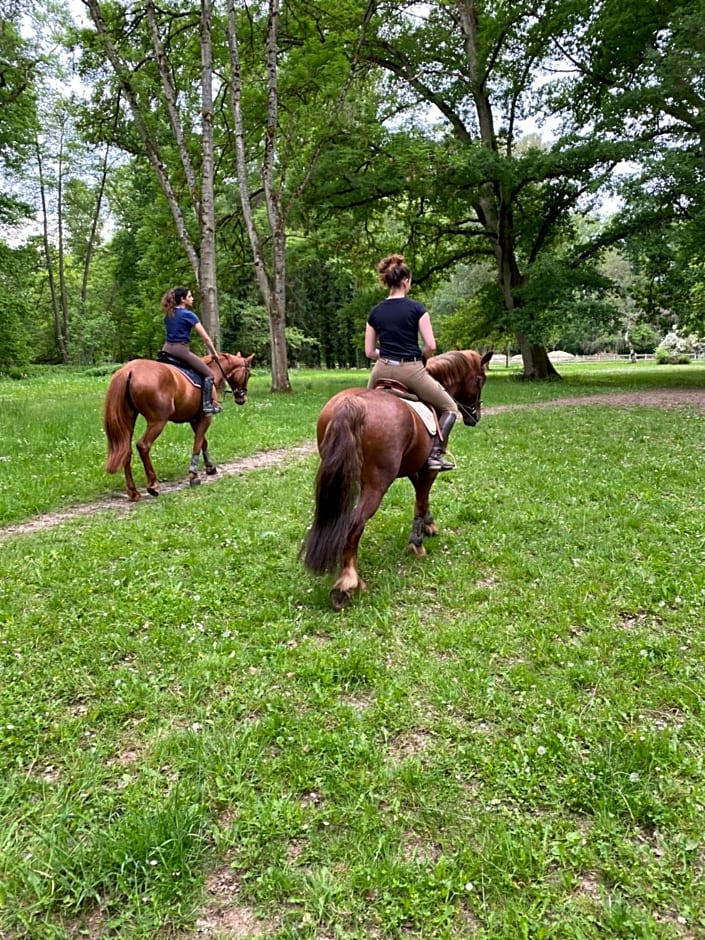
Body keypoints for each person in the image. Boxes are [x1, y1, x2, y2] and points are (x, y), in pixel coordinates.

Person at [365, 254, 460, 471]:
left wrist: (385, 357)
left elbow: (369, 351)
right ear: (406, 281)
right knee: (450, 408)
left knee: (363, 409)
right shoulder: (417, 309)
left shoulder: (375, 312)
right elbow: (431, 346)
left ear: (388, 281)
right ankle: (435, 454)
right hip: (411, 370)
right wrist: (422, 358)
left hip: (381, 370)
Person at [161, 286, 222, 415]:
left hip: (166, 350)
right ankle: (207, 405)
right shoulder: (189, 315)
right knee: (209, 374)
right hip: (181, 350)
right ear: (183, 300)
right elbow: (205, 338)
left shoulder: (169, 313)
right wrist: (214, 353)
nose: (192, 299)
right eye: (190, 296)